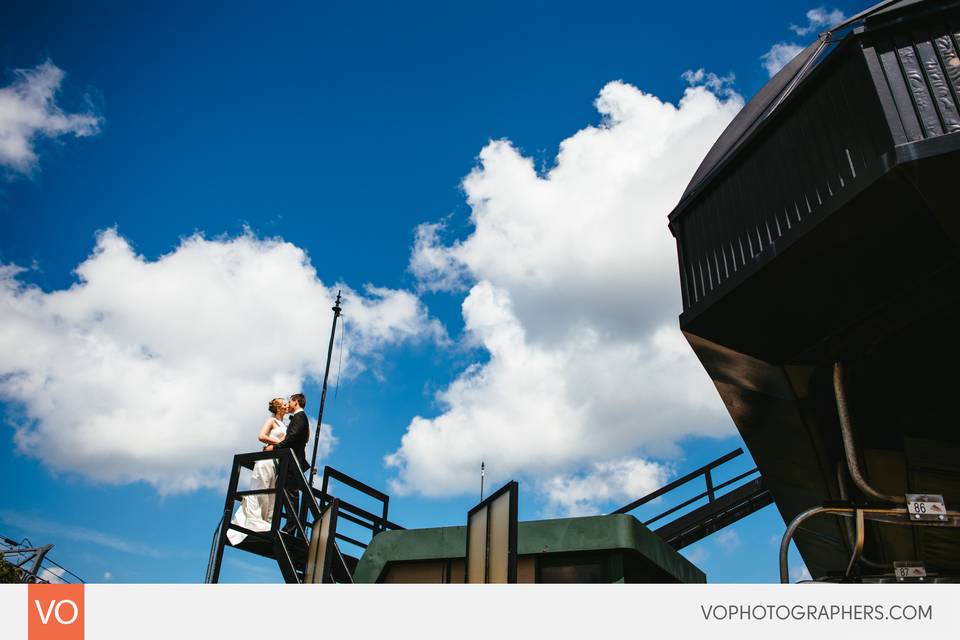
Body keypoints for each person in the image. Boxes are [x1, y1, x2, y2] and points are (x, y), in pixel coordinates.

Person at [227, 398, 288, 546]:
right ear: (279, 408)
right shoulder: (271, 421)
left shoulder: (285, 425)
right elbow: (261, 436)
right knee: (261, 490)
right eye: (284, 404)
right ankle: (254, 521)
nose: (287, 405)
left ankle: (266, 522)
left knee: (271, 493)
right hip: (266, 460)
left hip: (276, 462)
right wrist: (279, 444)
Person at [264, 393, 310, 534]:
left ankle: (291, 526)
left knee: (290, 493)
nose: (288, 404)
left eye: (290, 401)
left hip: (293, 461)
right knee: (285, 491)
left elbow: (292, 439)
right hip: (290, 461)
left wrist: (274, 448)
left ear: (296, 402)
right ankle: (289, 525)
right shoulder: (299, 418)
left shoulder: (299, 417)